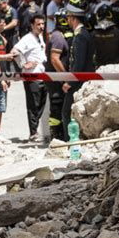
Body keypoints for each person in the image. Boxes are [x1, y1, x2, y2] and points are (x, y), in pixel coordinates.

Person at [12, 14, 48, 142]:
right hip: (31, 77)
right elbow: (14, 51)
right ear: (32, 25)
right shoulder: (27, 39)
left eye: (42, 24)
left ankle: (36, 130)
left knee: (41, 105)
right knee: (33, 106)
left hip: (42, 75)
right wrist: (23, 64)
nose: (41, 27)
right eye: (38, 24)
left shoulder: (40, 37)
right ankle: (33, 133)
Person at [64, 0, 94, 140]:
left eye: (68, 16)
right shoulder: (81, 34)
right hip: (80, 81)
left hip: (78, 83)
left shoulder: (81, 36)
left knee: (67, 114)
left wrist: (70, 82)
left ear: (72, 18)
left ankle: (71, 145)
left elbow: (79, 63)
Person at [45, 8, 72, 141]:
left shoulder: (58, 35)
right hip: (56, 81)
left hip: (56, 79)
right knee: (56, 107)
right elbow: (55, 59)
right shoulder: (58, 37)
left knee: (59, 106)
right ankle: (56, 136)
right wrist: (66, 78)